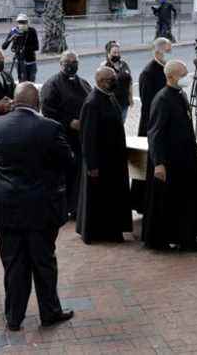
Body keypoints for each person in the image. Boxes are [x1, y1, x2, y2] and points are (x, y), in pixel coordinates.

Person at [0, 83, 75, 331]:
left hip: (7, 205)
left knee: (13, 264)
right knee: (44, 262)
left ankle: (14, 317)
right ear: (37, 102)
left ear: (15, 101)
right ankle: (49, 312)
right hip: (41, 207)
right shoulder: (49, 127)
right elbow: (68, 162)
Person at [142, 60, 197, 252]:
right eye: (183, 74)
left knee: (186, 201)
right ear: (171, 76)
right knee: (170, 203)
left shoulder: (180, 94)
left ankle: (186, 236)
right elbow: (155, 133)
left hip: (185, 158)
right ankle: (169, 239)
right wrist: (159, 163)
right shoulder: (162, 99)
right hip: (171, 160)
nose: (187, 77)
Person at [77, 67, 132, 243]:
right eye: (111, 79)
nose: (114, 82)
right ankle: (101, 232)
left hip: (113, 159)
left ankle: (113, 230)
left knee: (112, 197)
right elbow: (88, 137)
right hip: (101, 161)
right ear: (101, 81)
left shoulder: (110, 97)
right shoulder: (92, 103)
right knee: (101, 199)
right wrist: (92, 165)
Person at [41, 51, 92, 220]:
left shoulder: (83, 83)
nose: (72, 65)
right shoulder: (52, 85)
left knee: (79, 174)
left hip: (81, 138)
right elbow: (48, 111)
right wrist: (68, 122)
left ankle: (78, 206)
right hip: (63, 138)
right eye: (68, 62)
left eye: (75, 62)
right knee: (65, 175)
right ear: (61, 64)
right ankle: (66, 207)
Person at [132, 38, 170, 214]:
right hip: (150, 124)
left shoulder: (163, 69)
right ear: (158, 52)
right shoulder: (148, 73)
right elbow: (148, 104)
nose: (169, 56)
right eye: (167, 51)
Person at [2, 14, 40, 82]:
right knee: (22, 82)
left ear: (27, 22)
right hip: (20, 61)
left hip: (31, 61)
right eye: (20, 22)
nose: (22, 24)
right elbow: (4, 47)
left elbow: (36, 47)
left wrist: (24, 49)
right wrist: (11, 38)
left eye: (24, 22)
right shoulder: (14, 31)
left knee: (31, 82)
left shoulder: (32, 31)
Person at [101, 40, 133, 121]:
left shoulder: (124, 64)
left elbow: (130, 82)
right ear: (108, 54)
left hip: (124, 102)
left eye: (118, 52)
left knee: (122, 122)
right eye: (114, 52)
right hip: (111, 103)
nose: (117, 54)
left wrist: (130, 97)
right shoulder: (104, 66)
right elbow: (101, 85)